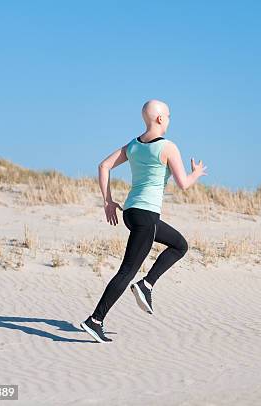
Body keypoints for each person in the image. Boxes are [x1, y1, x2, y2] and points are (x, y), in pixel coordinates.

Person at [80, 99, 207, 343]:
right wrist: (197, 173)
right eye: (168, 116)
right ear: (160, 118)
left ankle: (147, 284)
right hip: (146, 215)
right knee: (127, 271)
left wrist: (108, 201)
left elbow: (103, 166)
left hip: (131, 213)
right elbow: (184, 184)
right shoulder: (168, 147)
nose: (169, 120)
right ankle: (95, 320)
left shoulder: (133, 146)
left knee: (180, 245)